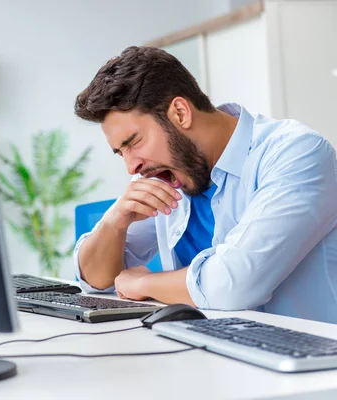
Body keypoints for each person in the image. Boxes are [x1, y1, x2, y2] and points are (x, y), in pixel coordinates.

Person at [73, 46, 337, 323]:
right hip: (212, 348)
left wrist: (143, 284)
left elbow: (235, 285)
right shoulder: (169, 172)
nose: (131, 167)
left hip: (307, 355)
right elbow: (98, 280)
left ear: (180, 113)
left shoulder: (296, 153)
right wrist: (114, 222)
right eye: (120, 152)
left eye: (134, 142)